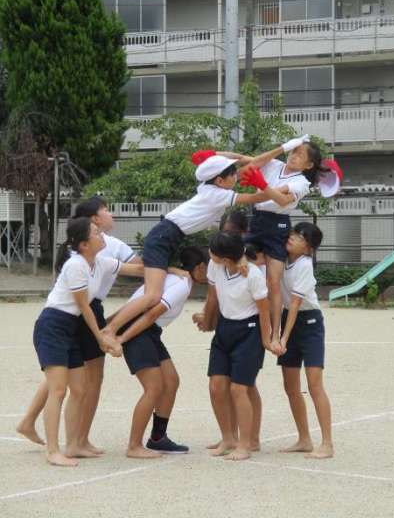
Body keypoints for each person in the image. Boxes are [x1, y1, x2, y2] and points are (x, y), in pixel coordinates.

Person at [17, 197, 143, 455]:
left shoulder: (100, 261)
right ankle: (54, 450)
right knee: (58, 388)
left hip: (71, 324)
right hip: (55, 324)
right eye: (96, 232)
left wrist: (175, 270)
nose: (101, 236)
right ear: (85, 242)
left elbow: (138, 270)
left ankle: (73, 444)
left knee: (78, 388)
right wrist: (103, 337)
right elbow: (84, 307)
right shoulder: (76, 265)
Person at [101, 154, 271, 337]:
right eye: (233, 175)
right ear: (220, 180)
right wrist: (276, 188)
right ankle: (109, 330)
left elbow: (228, 159)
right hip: (164, 237)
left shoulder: (207, 186)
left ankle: (106, 326)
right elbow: (257, 197)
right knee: (152, 296)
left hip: (166, 236)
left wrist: (249, 158)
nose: (236, 177)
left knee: (151, 295)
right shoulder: (218, 194)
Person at [105, 247, 208, 459]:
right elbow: (151, 314)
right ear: (200, 267)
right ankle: (134, 445)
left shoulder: (178, 278)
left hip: (149, 331)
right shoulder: (181, 284)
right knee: (153, 388)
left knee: (171, 381)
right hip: (138, 329)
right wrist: (122, 337)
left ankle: (158, 438)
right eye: (210, 268)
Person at [238, 138, 328, 343]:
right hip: (257, 220)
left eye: (300, 154)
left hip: (277, 225)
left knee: (273, 283)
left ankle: (275, 334)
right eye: (293, 151)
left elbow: (282, 199)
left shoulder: (302, 182)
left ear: (309, 165)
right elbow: (247, 161)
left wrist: (262, 185)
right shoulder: (274, 164)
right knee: (238, 260)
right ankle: (248, 321)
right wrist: (215, 157)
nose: (294, 156)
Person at [196, 232, 272, 461]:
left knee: (239, 389)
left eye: (213, 251)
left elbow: (264, 310)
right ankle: (228, 438)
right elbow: (213, 297)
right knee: (216, 386)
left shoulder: (253, 274)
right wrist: (207, 320)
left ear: (225, 258)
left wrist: (266, 340)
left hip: (249, 332)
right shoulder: (215, 266)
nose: (209, 253)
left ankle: (246, 444)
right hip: (224, 329)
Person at [271, 222, 334, 459]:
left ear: (309, 248)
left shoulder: (305, 264)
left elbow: (296, 303)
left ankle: (327, 443)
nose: (293, 237)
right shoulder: (281, 260)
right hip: (289, 318)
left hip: (309, 322)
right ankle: (304, 439)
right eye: (294, 233)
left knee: (314, 384)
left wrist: (282, 338)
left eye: (300, 237)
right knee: (290, 386)